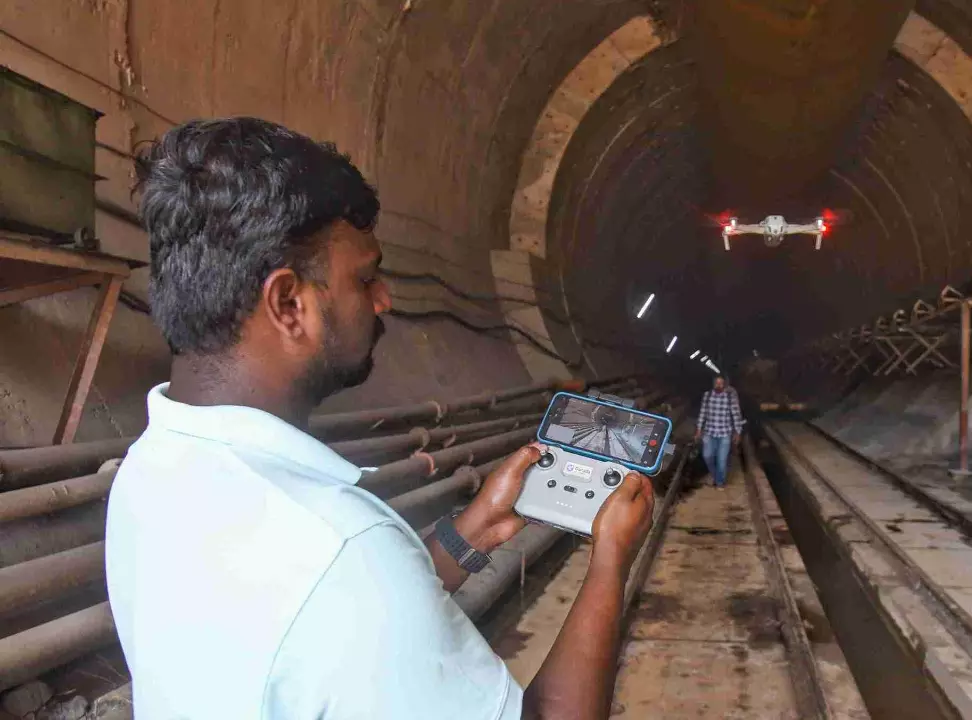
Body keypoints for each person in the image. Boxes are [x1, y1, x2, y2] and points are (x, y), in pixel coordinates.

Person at [104, 117, 655, 719]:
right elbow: (343, 591)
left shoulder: (149, 470)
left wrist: (473, 530)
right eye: (365, 279)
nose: (384, 298)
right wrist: (610, 560)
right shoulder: (344, 556)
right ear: (289, 304)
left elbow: (313, 627)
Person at [693, 375, 745, 489]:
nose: (719, 386)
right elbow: (702, 413)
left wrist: (738, 432)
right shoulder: (707, 396)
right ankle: (716, 476)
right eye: (717, 383)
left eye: (721, 383)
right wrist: (698, 430)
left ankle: (720, 483)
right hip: (709, 432)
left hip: (724, 433)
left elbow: (736, 415)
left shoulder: (730, 397)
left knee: (721, 460)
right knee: (707, 456)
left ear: (724, 385)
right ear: (713, 384)